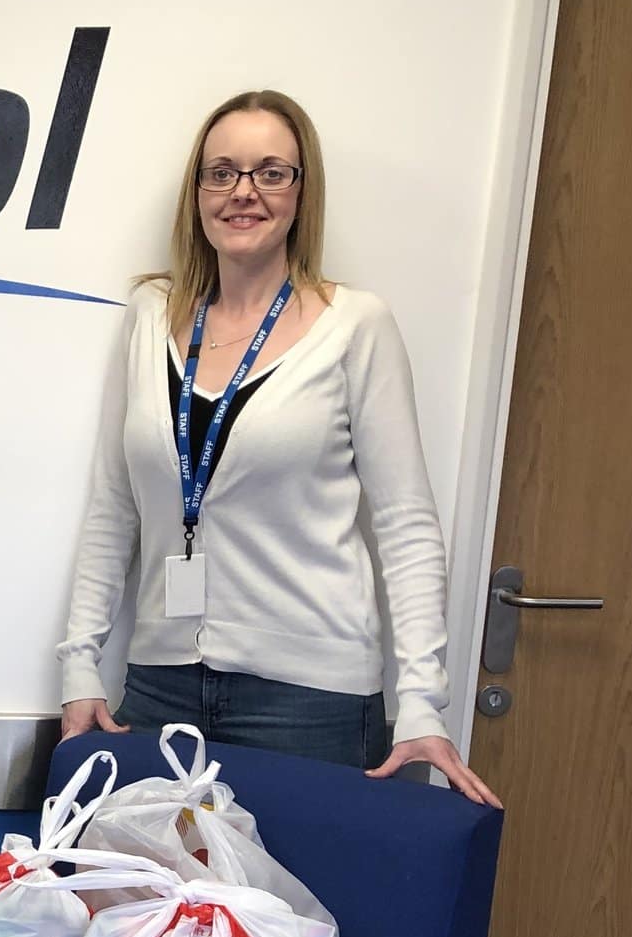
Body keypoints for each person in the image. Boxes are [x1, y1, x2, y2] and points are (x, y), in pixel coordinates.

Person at [56, 89, 497, 806]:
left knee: (303, 917)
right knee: (158, 913)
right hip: (161, 686)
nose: (244, 192)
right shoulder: (150, 318)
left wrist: (422, 700)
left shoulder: (355, 326)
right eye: (222, 171)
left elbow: (407, 526)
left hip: (310, 703)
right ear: (197, 192)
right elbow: (114, 509)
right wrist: (79, 668)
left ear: (302, 190)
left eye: (271, 172)